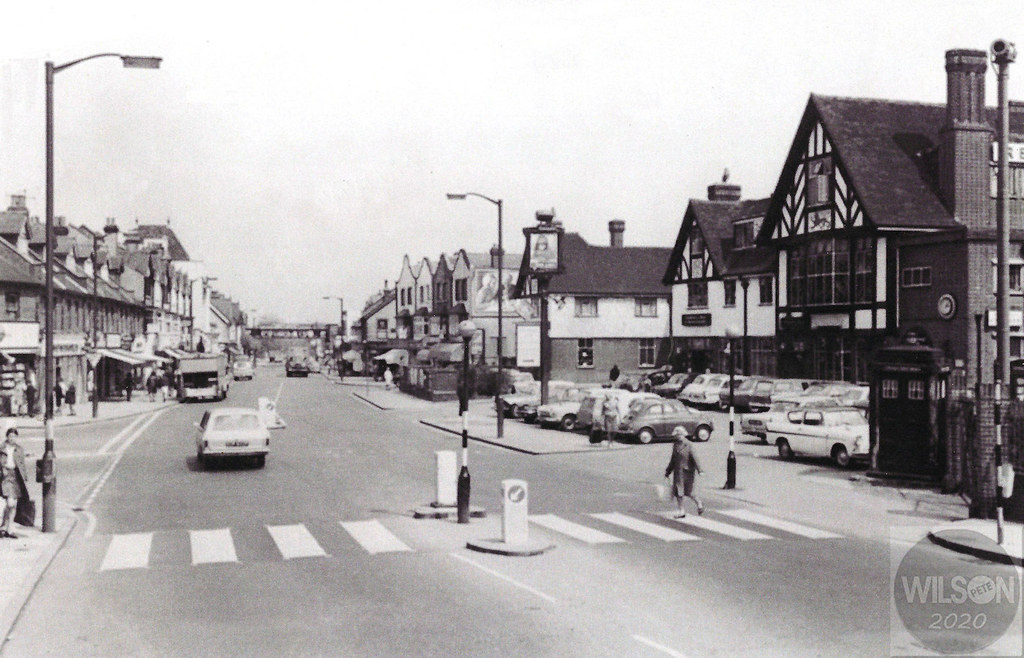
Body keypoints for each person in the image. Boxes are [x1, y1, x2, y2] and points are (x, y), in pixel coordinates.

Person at [664, 426, 704, 518]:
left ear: (682, 434)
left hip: (687, 472)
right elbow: (673, 459)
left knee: (690, 492)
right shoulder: (675, 445)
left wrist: (700, 470)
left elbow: (695, 458)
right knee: (679, 492)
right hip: (678, 473)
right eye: (676, 435)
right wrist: (668, 471)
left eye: (677, 435)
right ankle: (681, 511)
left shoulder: (689, 445)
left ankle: (699, 504)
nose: (676, 437)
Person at [1, 424, 29, 538]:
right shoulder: (2, 448)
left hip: (16, 477)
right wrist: (2, 468)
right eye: (10, 436)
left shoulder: (19, 449)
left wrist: (24, 477)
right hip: (6, 477)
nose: (12, 438)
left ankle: (8, 528)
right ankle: (4, 526)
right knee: (10, 503)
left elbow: (22, 464)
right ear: (7, 437)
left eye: (14, 436)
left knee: (13, 505)